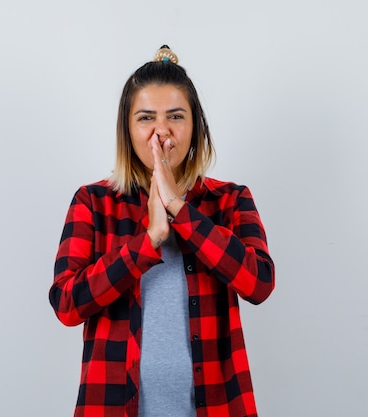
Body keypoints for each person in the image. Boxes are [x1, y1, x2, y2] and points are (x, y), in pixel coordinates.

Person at [49, 45, 275, 417]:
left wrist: (181, 212)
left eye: (175, 116)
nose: (161, 132)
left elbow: (259, 284)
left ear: (195, 125)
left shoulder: (230, 200)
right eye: (145, 118)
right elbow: (67, 305)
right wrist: (148, 240)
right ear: (128, 128)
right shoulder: (93, 202)